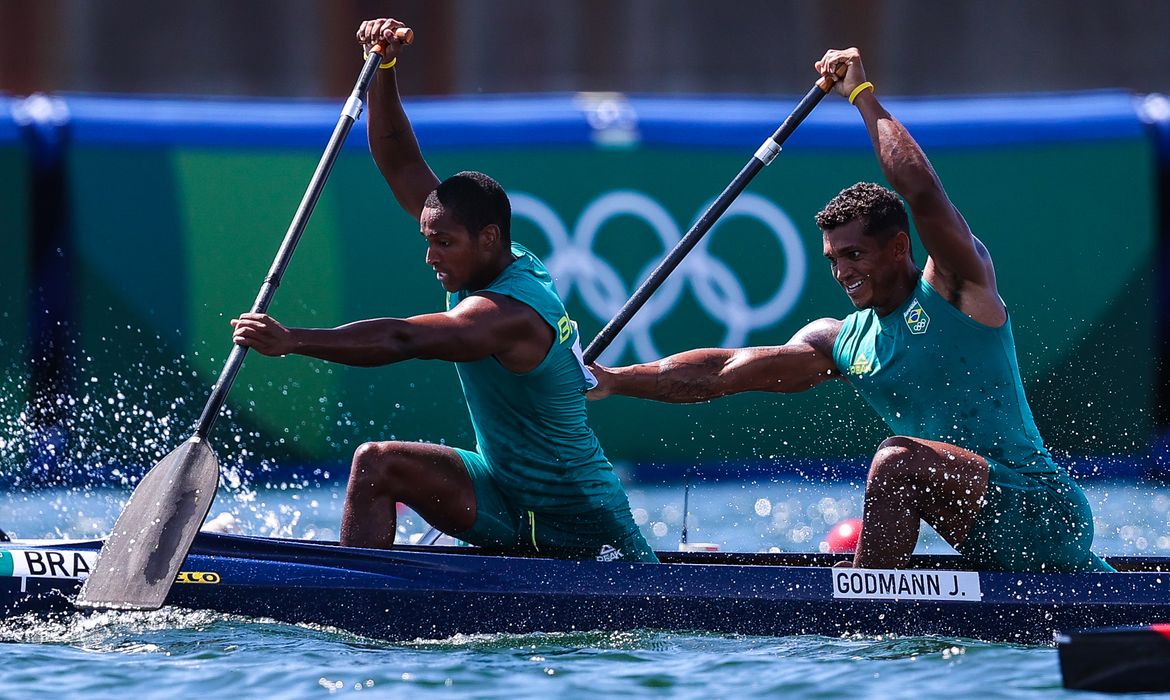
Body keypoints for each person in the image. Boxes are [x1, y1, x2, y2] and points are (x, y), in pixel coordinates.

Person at [589, 47, 1111, 573]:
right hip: (985, 532)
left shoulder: (957, 286)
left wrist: (863, 98)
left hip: (1043, 513)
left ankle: (860, 617)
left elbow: (922, 192)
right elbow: (723, 372)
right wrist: (612, 380)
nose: (842, 273)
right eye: (833, 260)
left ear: (900, 247)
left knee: (896, 461)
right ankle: (871, 602)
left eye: (855, 255)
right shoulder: (840, 340)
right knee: (898, 464)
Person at [230, 17, 657, 563]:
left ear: (488, 238)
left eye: (444, 244)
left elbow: (404, 340)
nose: (430, 255)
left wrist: (294, 340)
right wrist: (383, 67)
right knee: (377, 462)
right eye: (428, 239)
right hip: (505, 489)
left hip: (577, 520)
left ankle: (351, 596)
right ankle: (359, 606)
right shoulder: (480, 249)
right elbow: (400, 160)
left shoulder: (505, 313)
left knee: (378, 460)